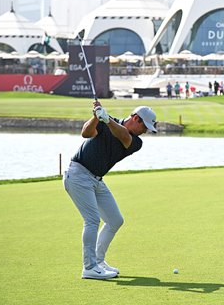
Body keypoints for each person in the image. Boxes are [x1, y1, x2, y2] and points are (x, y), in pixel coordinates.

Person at [63, 101, 157, 279]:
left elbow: (123, 136)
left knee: (115, 220)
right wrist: (95, 117)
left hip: (96, 180)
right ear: (136, 118)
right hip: (78, 174)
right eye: (145, 126)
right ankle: (89, 267)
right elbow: (86, 133)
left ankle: (98, 261)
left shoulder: (136, 142)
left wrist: (106, 119)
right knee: (92, 220)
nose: (146, 131)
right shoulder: (106, 121)